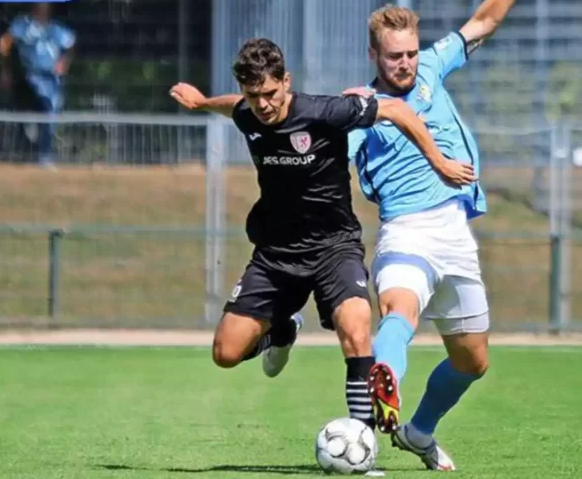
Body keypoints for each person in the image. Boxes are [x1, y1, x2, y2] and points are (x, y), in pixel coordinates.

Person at [168, 37, 476, 429]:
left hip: (335, 247)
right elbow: (234, 107)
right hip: (276, 254)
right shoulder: (249, 113)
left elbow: (397, 109)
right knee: (225, 353)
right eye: (254, 94)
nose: (262, 104)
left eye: (270, 93)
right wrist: (201, 103)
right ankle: (282, 331)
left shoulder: (325, 111)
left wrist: (440, 162)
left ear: (286, 82)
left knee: (357, 327)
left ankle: (362, 441)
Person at [344, 0, 575, 470]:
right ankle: (385, 382)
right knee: (399, 311)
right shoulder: (359, 108)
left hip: (456, 235)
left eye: (408, 53)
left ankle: (418, 431)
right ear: (372, 56)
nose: (404, 63)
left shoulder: (431, 65)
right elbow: (317, 152)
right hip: (406, 232)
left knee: (472, 361)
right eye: (392, 56)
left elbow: (485, 20)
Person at [0, 2, 75, 166]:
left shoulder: (56, 29)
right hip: (30, 76)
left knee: (51, 116)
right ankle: (25, 152)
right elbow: (5, 42)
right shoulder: (23, 25)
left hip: (52, 79)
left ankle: (44, 155)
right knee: (35, 112)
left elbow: (71, 44)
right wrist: (8, 68)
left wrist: (64, 61)